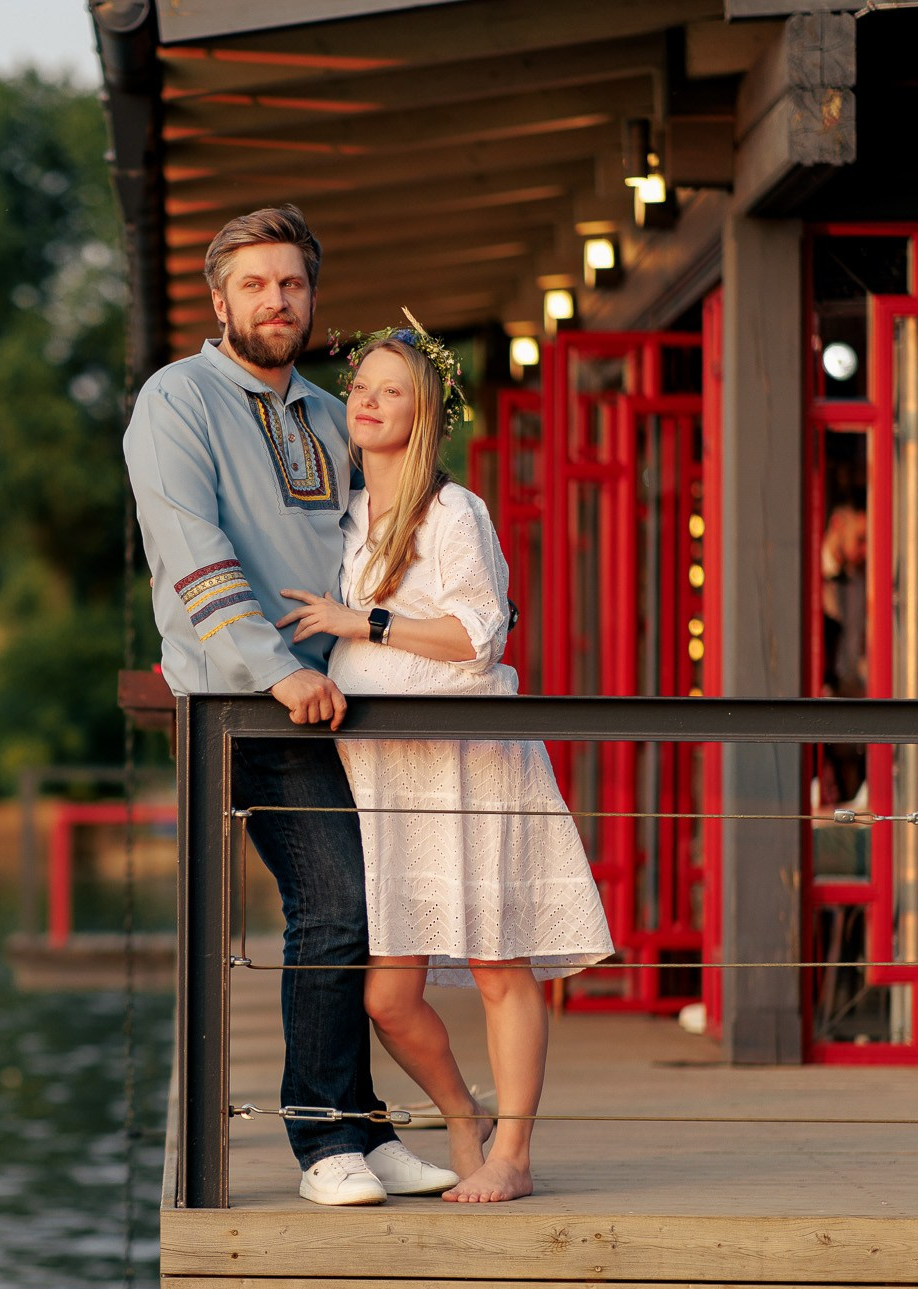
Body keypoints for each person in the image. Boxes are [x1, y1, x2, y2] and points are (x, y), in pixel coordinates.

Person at [125, 207, 457, 1205]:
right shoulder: (175, 400)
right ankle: (321, 1145)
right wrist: (275, 670)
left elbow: (396, 526)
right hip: (248, 701)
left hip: (347, 700)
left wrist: (463, 599)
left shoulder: (327, 410)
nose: (278, 302)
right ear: (218, 299)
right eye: (258, 285)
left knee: (366, 907)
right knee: (335, 901)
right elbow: (190, 550)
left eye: (294, 285)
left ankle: (360, 1125)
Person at [276, 317, 614, 1203]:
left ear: (424, 412)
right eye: (360, 387)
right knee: (388, 993)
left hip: (467, 761)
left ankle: (515, 1153)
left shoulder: (454, 512)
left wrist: (366, 622)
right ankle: (462, 1114)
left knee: (501, 964)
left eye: (392, 389)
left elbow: (477, 635)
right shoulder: (342, 517)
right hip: (385, 776)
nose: (368, 400)